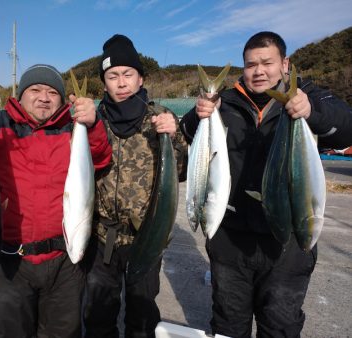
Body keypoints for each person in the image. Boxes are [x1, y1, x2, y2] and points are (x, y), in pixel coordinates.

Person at [180, 31, 352, 338]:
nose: (258, 71)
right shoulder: (225, 100)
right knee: (227, 325)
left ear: (285, 64)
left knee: (280, 327)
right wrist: (199, 114)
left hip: (286, 243)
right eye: (250, 64)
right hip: (230, 240)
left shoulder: (309, 95)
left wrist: (312, 111)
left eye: (267, 63)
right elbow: (190, 133)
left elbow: (347, 129)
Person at [0, 64, 112, 338]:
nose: (44, 97)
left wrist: (94, 124)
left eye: (53, 92)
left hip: (64, 262)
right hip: (8, 262)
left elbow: (100, 157)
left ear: (63, 99)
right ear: (20, 95)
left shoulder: (72, 128)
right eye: (36, 89)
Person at [83, 34, 188, 338]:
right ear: (104, 84)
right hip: (101, 237)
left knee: (142, 315)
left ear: (140, 78)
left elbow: (180, 174)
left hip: (147, 236)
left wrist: (175, 138)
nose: (121, 82)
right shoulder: (94, 120)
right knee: (98, 314)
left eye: (128, 74)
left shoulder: (160, 118)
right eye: (112, 76)